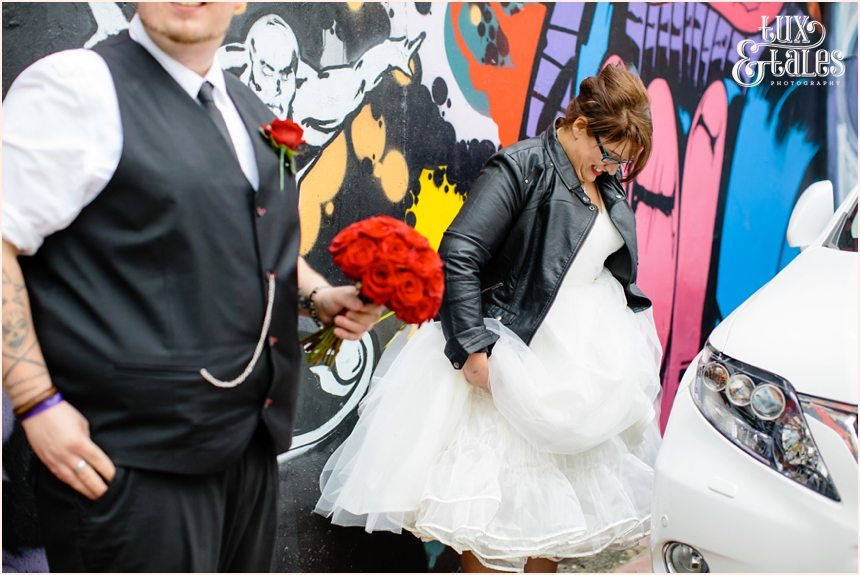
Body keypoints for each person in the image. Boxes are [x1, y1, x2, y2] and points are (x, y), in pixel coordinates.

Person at [1, 3, 380, 572]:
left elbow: (253, 237)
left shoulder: (247, 107)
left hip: (246, 453)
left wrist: (318, 298)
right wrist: (37, 402)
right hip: (126, 462)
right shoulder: (78, 87)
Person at [314, 64, 661, 573]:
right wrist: (473, 347)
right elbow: (459, 251)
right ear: (581, 125)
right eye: (609, 155)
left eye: (623, 163)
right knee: (488, 528)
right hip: (509, 359)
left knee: (553, 527)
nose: (612, 169)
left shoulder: (601, 179)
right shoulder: (521, 166)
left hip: (573, 373)